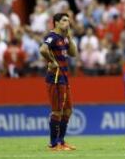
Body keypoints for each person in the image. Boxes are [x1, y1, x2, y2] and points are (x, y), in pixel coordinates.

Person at [39, 13, 78, 151]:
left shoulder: (63, 38)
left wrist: (69, 36)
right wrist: (52, 61)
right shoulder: (52, 37)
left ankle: (61, 141)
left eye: (68, 20)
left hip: (64, 77)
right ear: (56, 22)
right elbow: (43, 49)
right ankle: (53, 144)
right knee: (57, 111)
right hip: (55, 77)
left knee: (68, 110)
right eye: (64, 20)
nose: (67, 22)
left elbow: (73, 53)